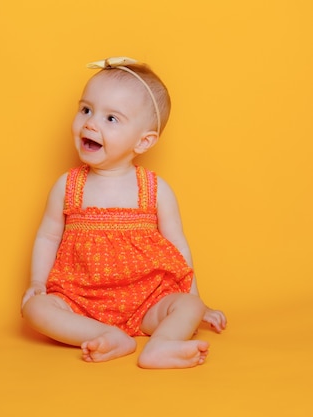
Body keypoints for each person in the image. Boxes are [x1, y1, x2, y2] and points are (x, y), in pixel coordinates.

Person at [21, 57, 227, 369]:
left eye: (111, 119)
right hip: (79, 300)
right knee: (35, 309)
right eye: (86, 110)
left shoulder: (155, 190)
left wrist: (199, 300)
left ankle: (161, 346)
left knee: (189, 304)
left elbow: (178, 248)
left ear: (144, 141)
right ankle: (108, 335)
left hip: (148, 300)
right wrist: (37, 281)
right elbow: (48, 236)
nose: (90, 123)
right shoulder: (68, 185)